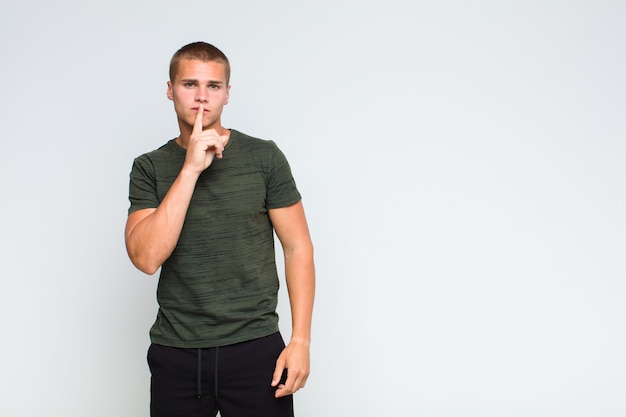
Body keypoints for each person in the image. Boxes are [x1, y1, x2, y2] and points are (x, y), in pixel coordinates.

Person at [125, 41, 315, 417]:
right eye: (189, 84)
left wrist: (301, 341)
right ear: (169, 90)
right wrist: (191, 168)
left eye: (213, 86)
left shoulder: (264, 157)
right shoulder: (150, 167)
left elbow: (298, 248)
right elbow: (146, 258)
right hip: (177, 353)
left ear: (227, 94)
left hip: (256, 349)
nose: (201, 97)